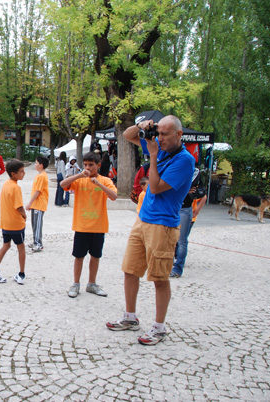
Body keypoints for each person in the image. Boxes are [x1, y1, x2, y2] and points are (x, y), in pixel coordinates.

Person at [106, 115, 195, 346]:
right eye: (159, 132)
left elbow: (154, 188)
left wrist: (153, 154)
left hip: (163, 225)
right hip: (143, 220)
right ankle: (130, 317)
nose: (160, 138)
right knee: (130, 270)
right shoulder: (160, 143)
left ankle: (159, 327)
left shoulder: (184, 160)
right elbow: (127, 136)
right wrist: (143, 126)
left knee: (159, 278)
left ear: (179, 135)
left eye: (165, 134)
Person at [61, 152, 117, 298]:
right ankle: (76, 284)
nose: (87, 167)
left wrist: (98, 184)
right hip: (82, 226)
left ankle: (92, 284)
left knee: (95, 256)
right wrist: (79, 175)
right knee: (78, 256)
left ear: (98, 165)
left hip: (98, 226)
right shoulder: (80, 180)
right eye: (85, 165)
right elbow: (63, 184)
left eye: (91, 165)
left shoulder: (105, 180)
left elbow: (114, 196)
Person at [0, 159, 27, 285]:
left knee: (6, 246)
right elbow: (19, 206)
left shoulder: (6, 184)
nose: (24, 173)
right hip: (16, 224)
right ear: (13, 174)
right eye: (21, 171)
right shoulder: (16, 188)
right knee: (21, 247)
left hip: (6, 223)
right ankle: (21, 274)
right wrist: (24, 215)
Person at [170, 168, 206, 278]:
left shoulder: (193, 172)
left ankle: (177, 268)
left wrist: (197, 210)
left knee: (181, 241)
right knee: (170, 239)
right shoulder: (172, 169)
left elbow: (201, 194)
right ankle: (169, 264)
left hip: (184, 208)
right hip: (173, 207)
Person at [25, 156, 49, 252]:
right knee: (34, 224)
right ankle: (35, 241)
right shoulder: (38, 176)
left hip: (39, 204)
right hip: (35, 204)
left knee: (38, 224)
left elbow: (38, 191)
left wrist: (29, 203)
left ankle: (38, 243)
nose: (35, 165)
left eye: (36, 163)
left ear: (41, 165)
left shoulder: (42, 176)